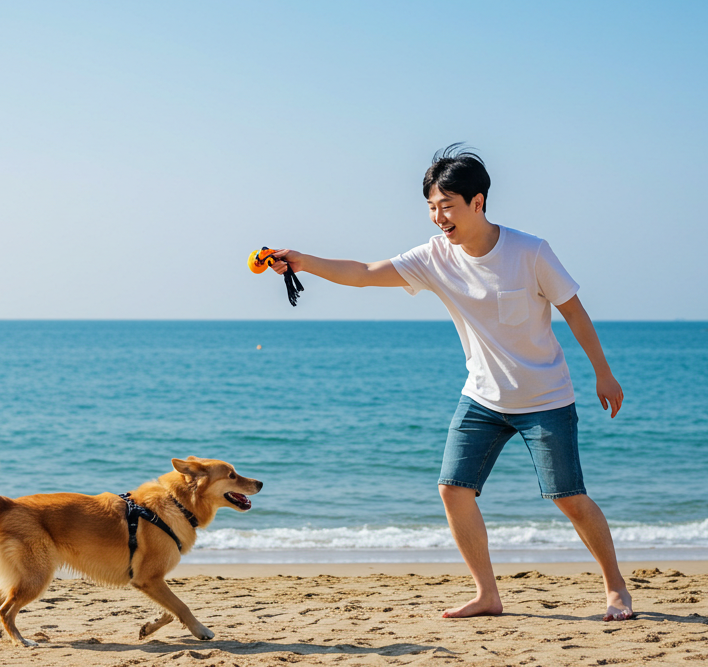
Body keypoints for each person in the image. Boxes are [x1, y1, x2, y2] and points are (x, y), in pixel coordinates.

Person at [269, 145, 633, 621]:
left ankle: (616, 588)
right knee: (453, 488)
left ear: (477, 203)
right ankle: (487, 595)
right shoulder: (434, 257)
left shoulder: (530, 252)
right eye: (431, 207)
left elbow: (574, 312)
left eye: (447, 206)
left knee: (568, 497)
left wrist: (603, 373)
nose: (438, 217)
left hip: (545, 398)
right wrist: (303, 261)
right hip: (482, 397)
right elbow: (363, 274)